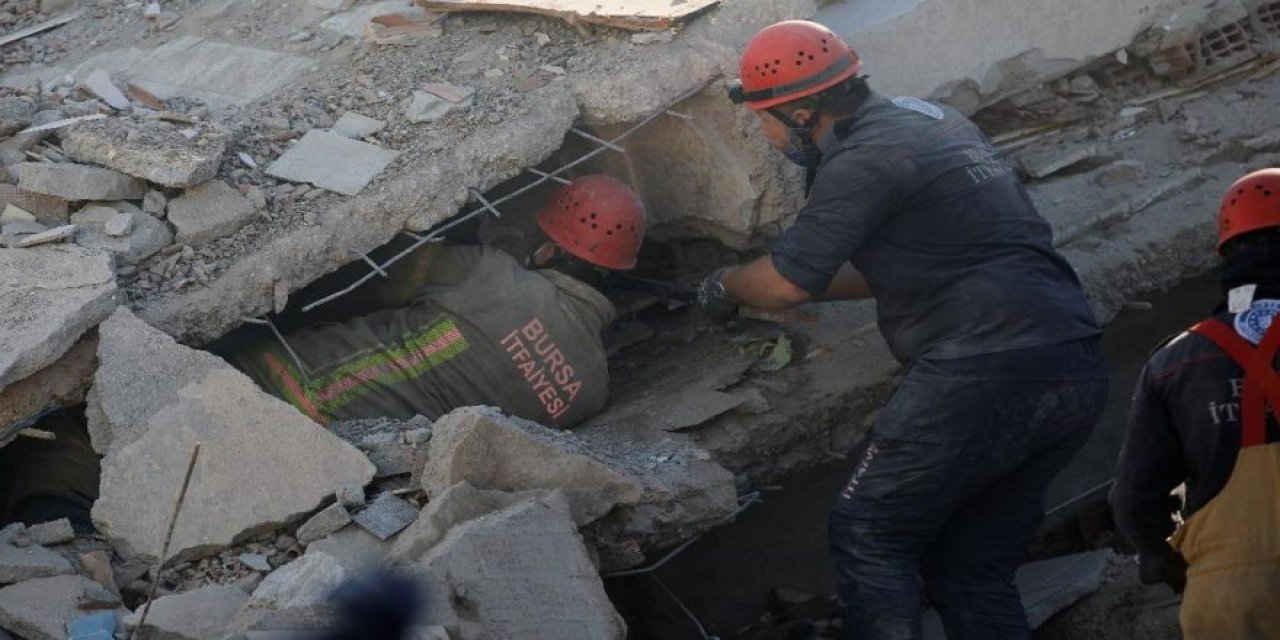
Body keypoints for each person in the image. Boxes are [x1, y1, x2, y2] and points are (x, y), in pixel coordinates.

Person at [696, 20, 1109, 639]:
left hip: (979, 368)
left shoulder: (862, 159)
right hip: (1071, 359)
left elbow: (786, 283)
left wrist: (725, 285)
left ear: (802, 112)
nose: (767, 136)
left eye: (765, 121)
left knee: (869, 532)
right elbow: (883, 267)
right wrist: (794, 278)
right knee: (969, 567)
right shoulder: (931, 120)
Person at [232, 174, 647, 429]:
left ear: (546, 251)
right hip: (350, 461)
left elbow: (374, 279)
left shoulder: (488, 273)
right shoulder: (592, 393)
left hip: (275, 385)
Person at [1110, 168, 1280, 638]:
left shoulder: (1173, 362)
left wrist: (1186, 571)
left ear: (1228, 253)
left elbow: (1135, 501)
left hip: (1234, 598)